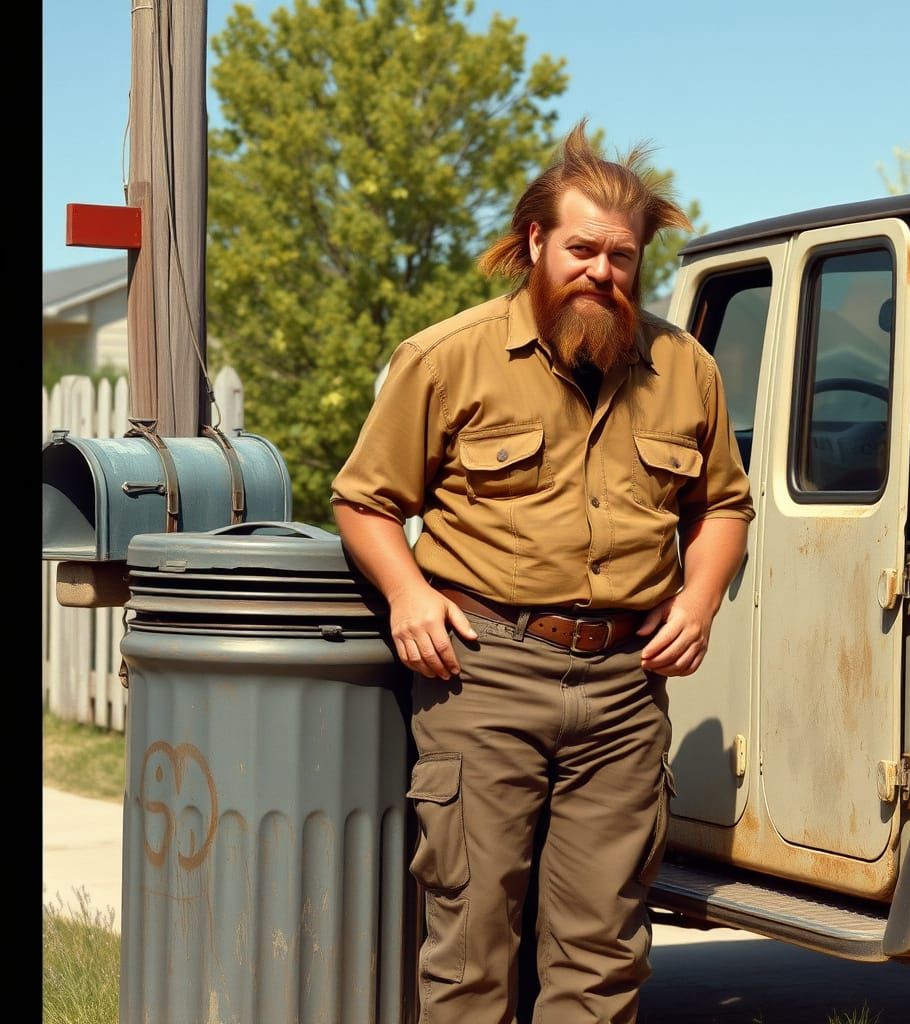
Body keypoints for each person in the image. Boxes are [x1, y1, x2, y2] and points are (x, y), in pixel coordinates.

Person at [331, 120, 754, 1024]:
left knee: (603, 953)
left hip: (624, 691)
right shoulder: (447, 358)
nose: (603, 272)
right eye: (583, 250)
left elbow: (724, 504)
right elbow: (363, 499)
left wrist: (702, 596)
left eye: (623, 256)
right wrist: (406, 592)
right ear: (535, 243)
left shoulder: (686, 369)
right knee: (473, 944)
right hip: (484, 673)